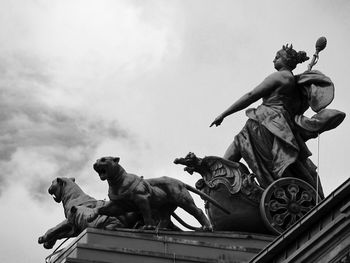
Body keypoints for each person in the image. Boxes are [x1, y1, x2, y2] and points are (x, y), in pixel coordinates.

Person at [210, 44, 325, 197]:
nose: (274, 59)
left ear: (286, 60)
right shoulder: (292, 82)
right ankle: (224, 187)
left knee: (236, 150)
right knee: (238, 149)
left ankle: (222, 189)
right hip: (276, 124)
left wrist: (224, 114)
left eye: (277, 56)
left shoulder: (281, 76)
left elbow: (251, 95)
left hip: (265, 121)